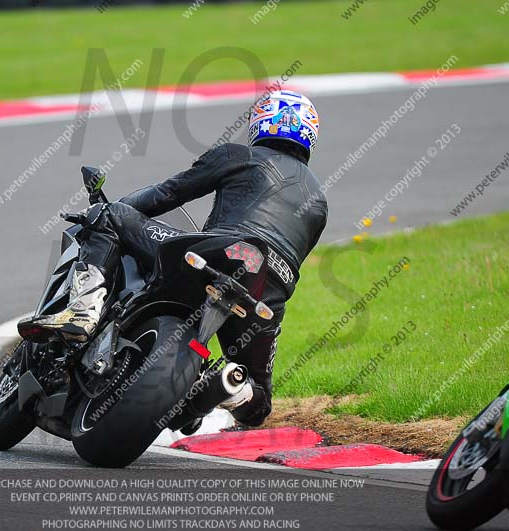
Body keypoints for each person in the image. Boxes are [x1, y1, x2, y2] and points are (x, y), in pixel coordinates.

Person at [23, 90, 328, 427]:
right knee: (259, 402)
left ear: (260, 123)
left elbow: (168, 193)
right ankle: (224, 388)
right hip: (270, 290)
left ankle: (83, 312)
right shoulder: (319, 202)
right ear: (309, 133)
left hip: (218, 251)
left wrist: (108, 207)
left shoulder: (239, 154)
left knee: (110, 216)